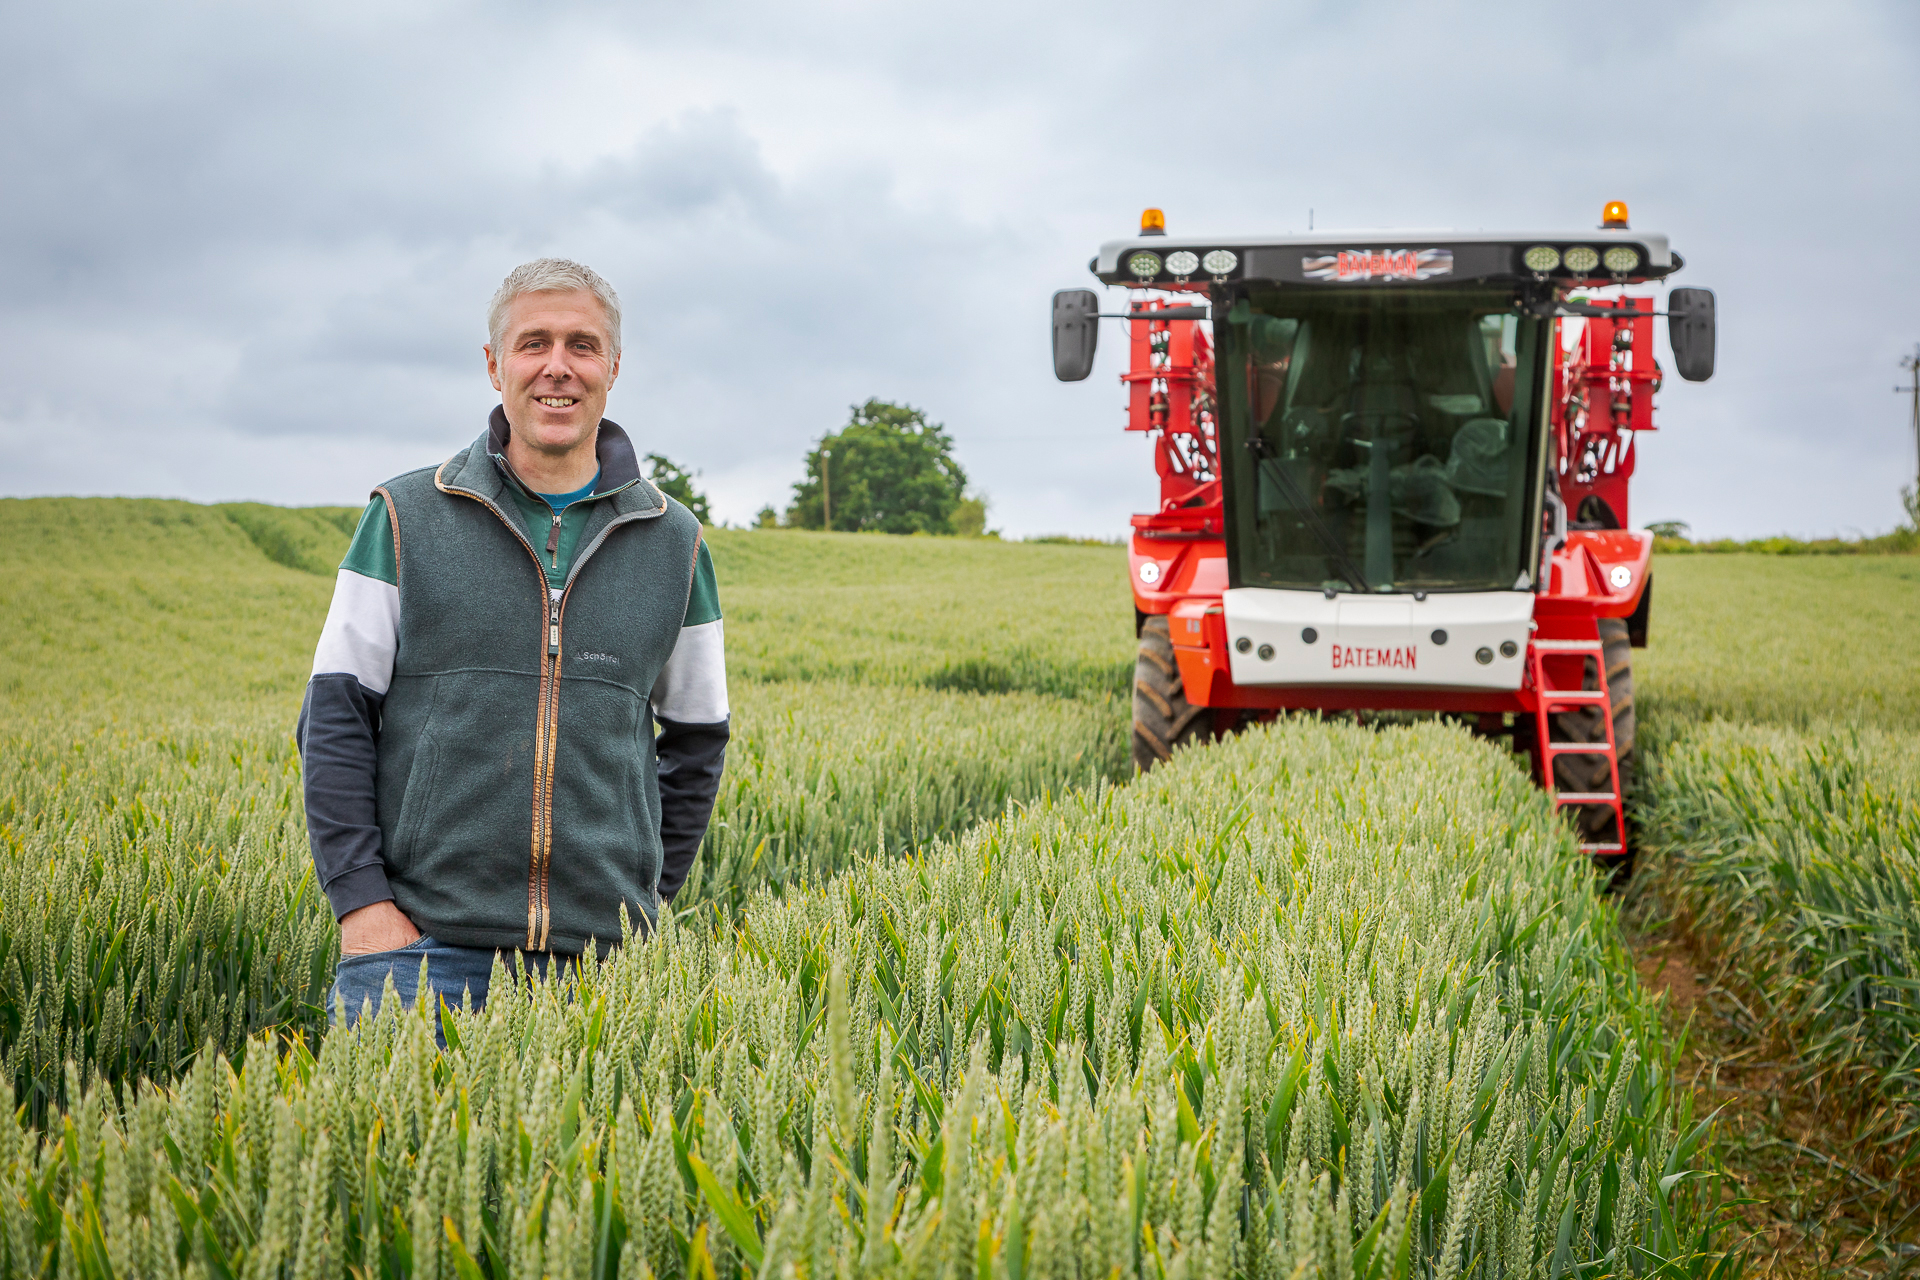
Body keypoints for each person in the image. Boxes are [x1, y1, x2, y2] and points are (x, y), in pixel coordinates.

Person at [297, 258, 729, 1024]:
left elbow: (697, 742)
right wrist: (363, 906)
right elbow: (335, 720)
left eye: (582, 346)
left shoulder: (676, 543)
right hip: (418, 960)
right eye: (533, 344)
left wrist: (638, 904)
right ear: (495, 365)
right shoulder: (404, 517)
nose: (557, 368)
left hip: (604, 977)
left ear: (614, 368)